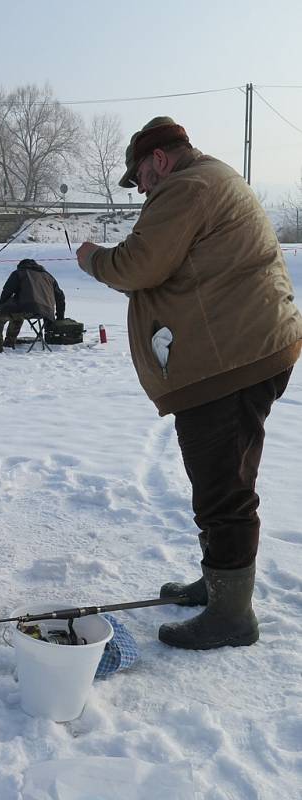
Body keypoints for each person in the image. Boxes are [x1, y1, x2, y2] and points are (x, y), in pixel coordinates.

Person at [76, 116, 302, 650]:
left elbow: (138, 265)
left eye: (141, 179)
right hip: (244, 350)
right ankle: (220, 585)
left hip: (229, 361)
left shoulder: (186, 186)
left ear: (158, 159)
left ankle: (231, 616)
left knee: (223, 488)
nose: (143, 191)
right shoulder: (211, 179)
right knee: (224, 476)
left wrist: (91, 259)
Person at [0, 258, 66, 352]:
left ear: (21, 266)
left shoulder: (19, 273)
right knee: (17, 310)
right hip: (47, 313)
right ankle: (9, 342)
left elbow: (7, 291)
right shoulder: (49, 276)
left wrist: (2, 306)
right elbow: (60, 296)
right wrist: (60, 317)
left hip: (26, 309)